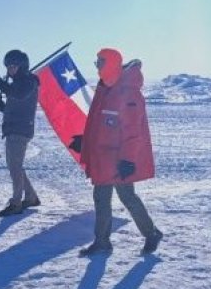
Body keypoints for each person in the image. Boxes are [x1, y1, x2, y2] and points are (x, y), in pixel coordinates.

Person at [70, 48, 163, 256]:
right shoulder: (105, 88)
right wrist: (85, 141)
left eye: (100, 62)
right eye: (96, 62)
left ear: (111, 64)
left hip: (119, 158)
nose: (97, 66)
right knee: (101, 197)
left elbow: (133, 131)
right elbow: (100, 124)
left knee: (127, 197)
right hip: (103, 157)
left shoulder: (128, 93)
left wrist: (128, 159)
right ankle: (102, 241)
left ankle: (151, 233)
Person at [0, 49, 41, 217]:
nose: (10, 69)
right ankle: (30, 197)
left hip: (21, 129)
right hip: (13, 128)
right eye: (7, 66)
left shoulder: (29, 81)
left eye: (13, 66)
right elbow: (12, 109)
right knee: (15, 166)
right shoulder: (15, 84)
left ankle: (16, 203)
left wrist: (1, 84)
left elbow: (20, 95)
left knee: (14, 167)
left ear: (22, 66)